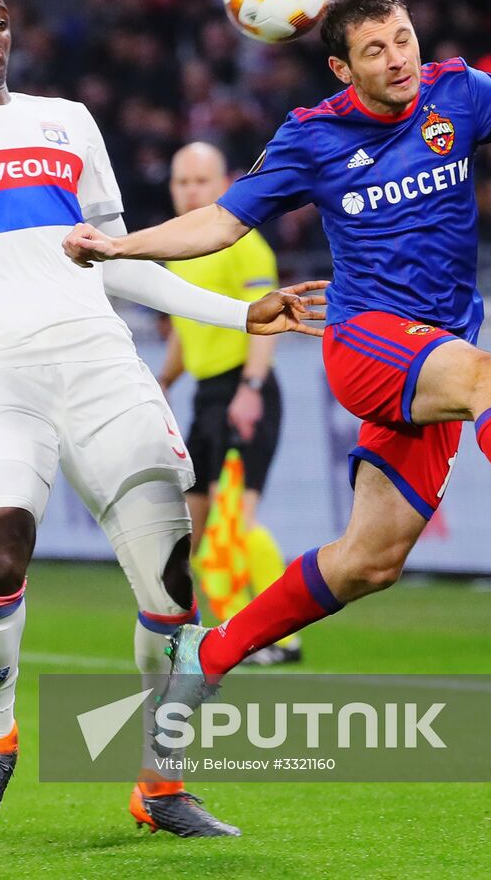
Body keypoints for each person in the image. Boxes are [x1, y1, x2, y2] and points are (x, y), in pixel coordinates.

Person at [61, 0, 491, 721]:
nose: (397, 57)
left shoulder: (462, 93)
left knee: (368, 562)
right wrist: (119, 246)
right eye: (374, 50)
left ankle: (208, 654)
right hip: (365, 340)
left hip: (436, 355)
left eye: (402, 38)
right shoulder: (311, 136)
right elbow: (220, 224)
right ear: (343, 70)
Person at [0, 0, 325, 839]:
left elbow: (117, 259)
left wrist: (237, 309)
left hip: (103, 366)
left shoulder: (68, 120)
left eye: (0, 20)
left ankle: (160, 784)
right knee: (0, 550)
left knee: (173, 592)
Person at [159, 141, 300, 665]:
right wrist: (164, 379)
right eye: (181, 182)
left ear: (224, 184)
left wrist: (252, 388)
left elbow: (268, 321)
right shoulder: (178, 250)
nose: (190, 190)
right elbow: (183, 325)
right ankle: (230, 634)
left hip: (244, 390)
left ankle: (274, 637)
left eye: (200, 181)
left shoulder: (244, 244)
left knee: (231, 527)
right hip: (206, 398)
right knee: (193, 534)